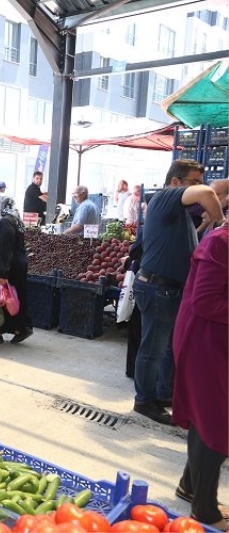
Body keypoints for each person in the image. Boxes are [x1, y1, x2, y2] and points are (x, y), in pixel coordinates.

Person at [132, 159, 224, 425]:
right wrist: (220, 220)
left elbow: (211, 190)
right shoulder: (164, 198)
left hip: (169, 289)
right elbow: (209, 193)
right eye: (193, 182)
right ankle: (144, 400)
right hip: (157, 288)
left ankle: (162, 393)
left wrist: (207, 221)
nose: (199, 187)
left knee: (169, 349)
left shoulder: (176, 209)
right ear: (175, 182)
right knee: (153, 348)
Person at [171, 224, 228, 532]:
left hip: (217, 339)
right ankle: (204, 511)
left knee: (205, 415)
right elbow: (205, 301)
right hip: (202, 340)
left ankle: (189, 485)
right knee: (216, 422)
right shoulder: (221, 242)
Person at [0, 196, 32, 344]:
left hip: (8, 266)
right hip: (16, 265)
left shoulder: (5, 222)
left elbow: (6, 249)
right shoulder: (16, 219)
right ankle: (20, 328)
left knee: (0, 300)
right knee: (13, 298)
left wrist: (2, 273)